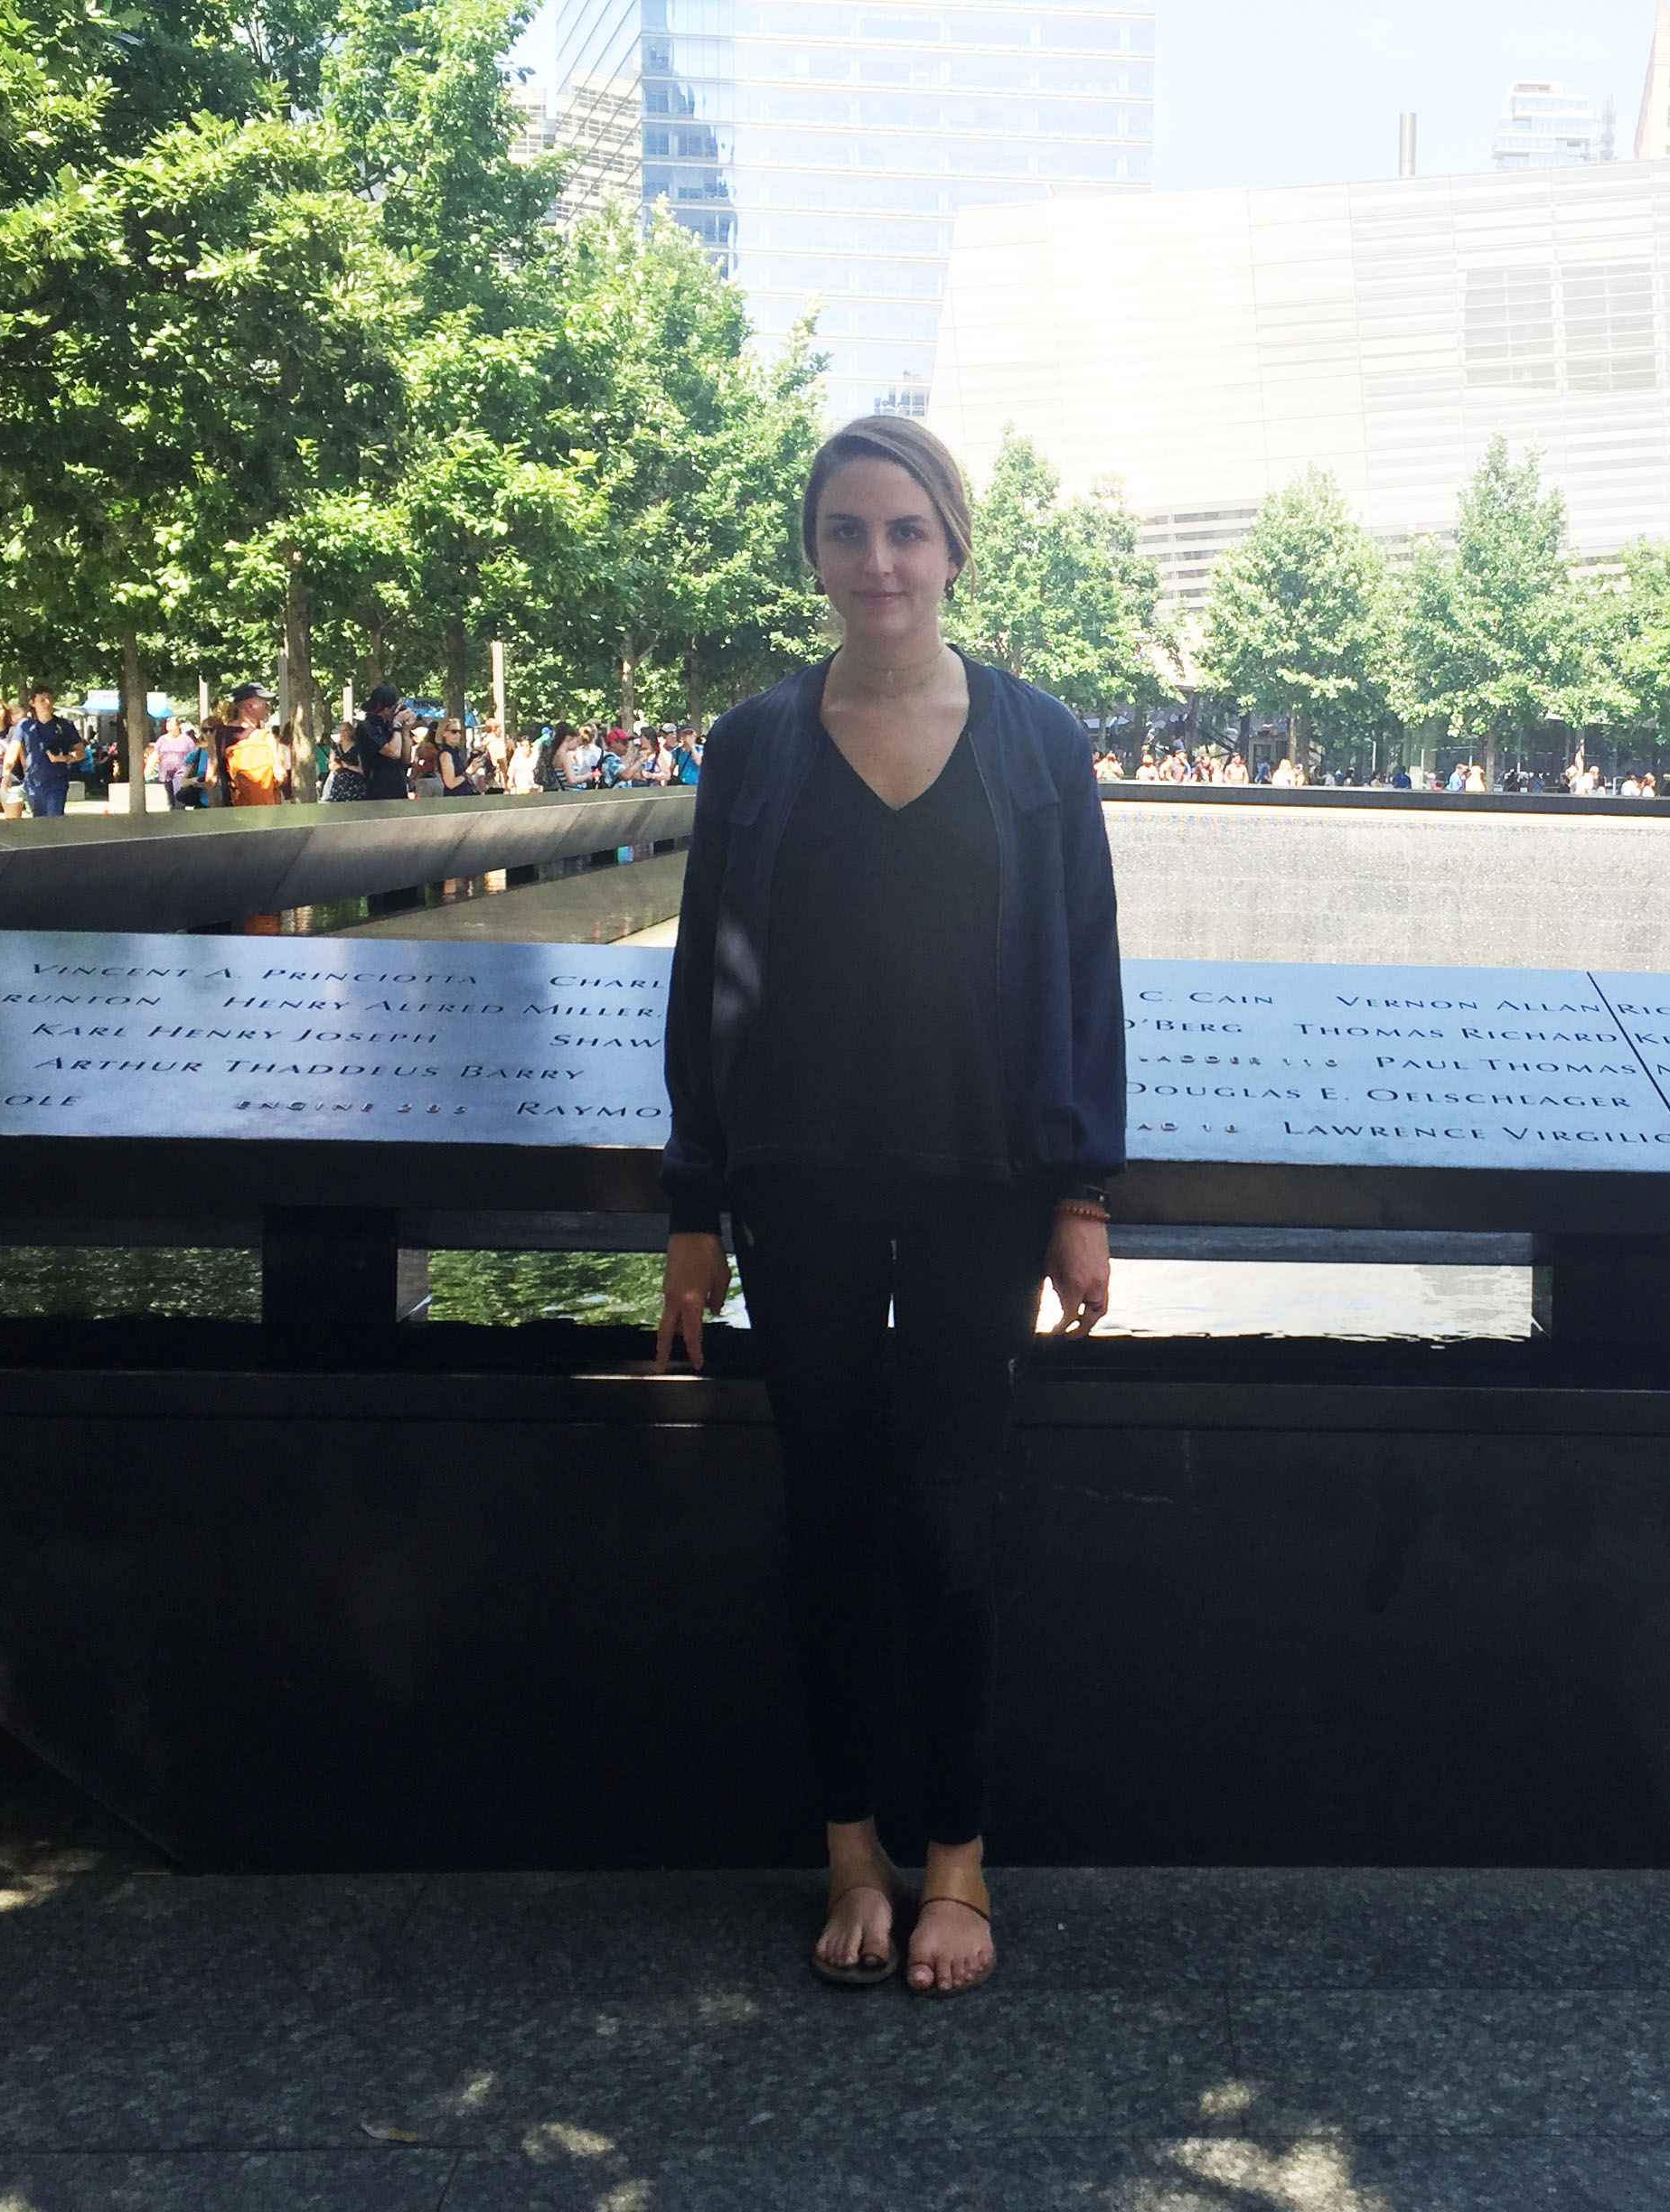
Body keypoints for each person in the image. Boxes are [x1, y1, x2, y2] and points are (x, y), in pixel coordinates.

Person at [657, 416, 1122, 2001]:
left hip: (981, 1184)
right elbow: (703, 986)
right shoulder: (756, 744)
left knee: (944, 1516)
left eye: (905, 530)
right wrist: (690, 1203)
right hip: (801, 1181)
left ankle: (958, 1857)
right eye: (847, 531)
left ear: (953, 546)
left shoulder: (1038, 744)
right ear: (813, 551)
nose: (877, 562)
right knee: (828, 1515)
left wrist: (1079, 1191)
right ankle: (849, 1843)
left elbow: (1085, 974)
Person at [15, 688, 80, 818]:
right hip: (33, 782)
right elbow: (14, 748)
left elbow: (81, 752)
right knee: (38, 821)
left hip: (57, 781)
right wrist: (7, 772)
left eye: (49, 699)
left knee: (54, 819)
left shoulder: (64, 725)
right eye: (42, 700)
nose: (47, 703)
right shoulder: (25, 725)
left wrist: (64, 758)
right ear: (32, 703)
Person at [220, 682, 287, 806]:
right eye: (263, 702)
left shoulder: (220, 734)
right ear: (250, 705)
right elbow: (280, 776)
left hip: (233, 809)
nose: (267, 707)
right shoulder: (266, 738)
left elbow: (213, 777)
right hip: (266, 808)